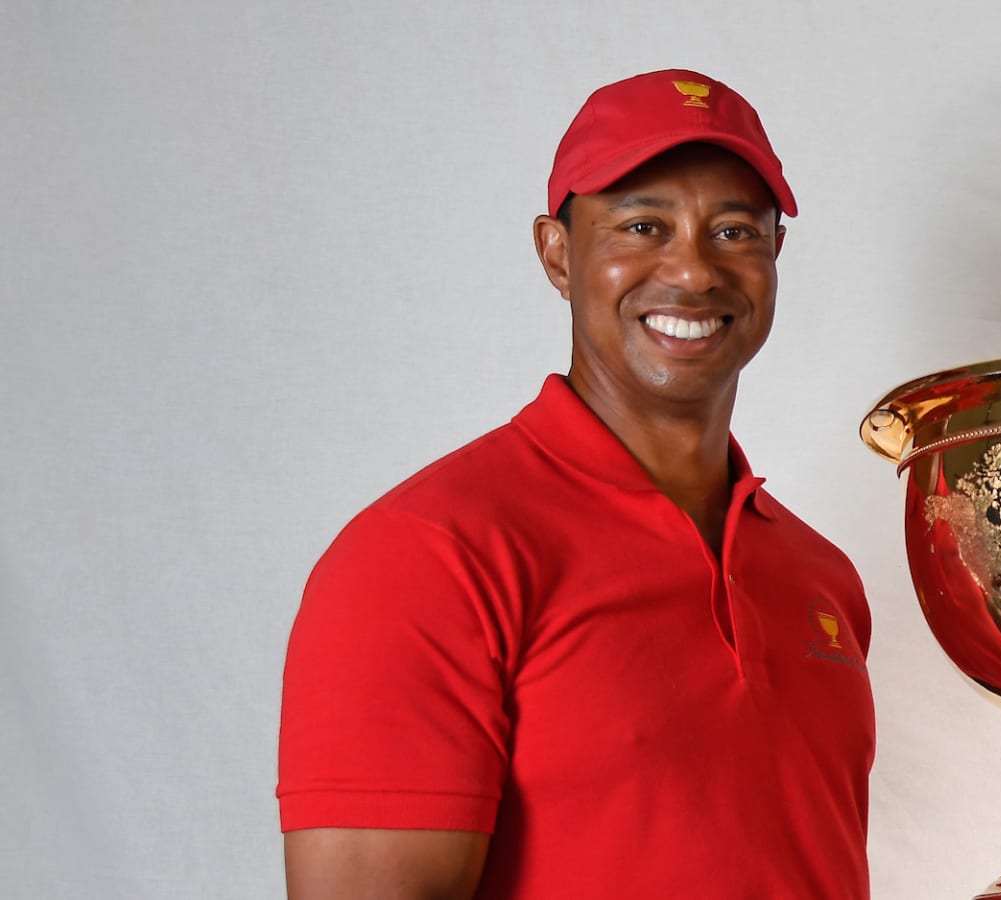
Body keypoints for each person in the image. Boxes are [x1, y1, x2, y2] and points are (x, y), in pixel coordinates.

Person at [276, 69, 873, 899]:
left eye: (734, 230)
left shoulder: (820, 578)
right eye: (641, 225)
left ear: (775, 254)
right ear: (557, 254)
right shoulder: (425, 555)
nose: (694, 272)